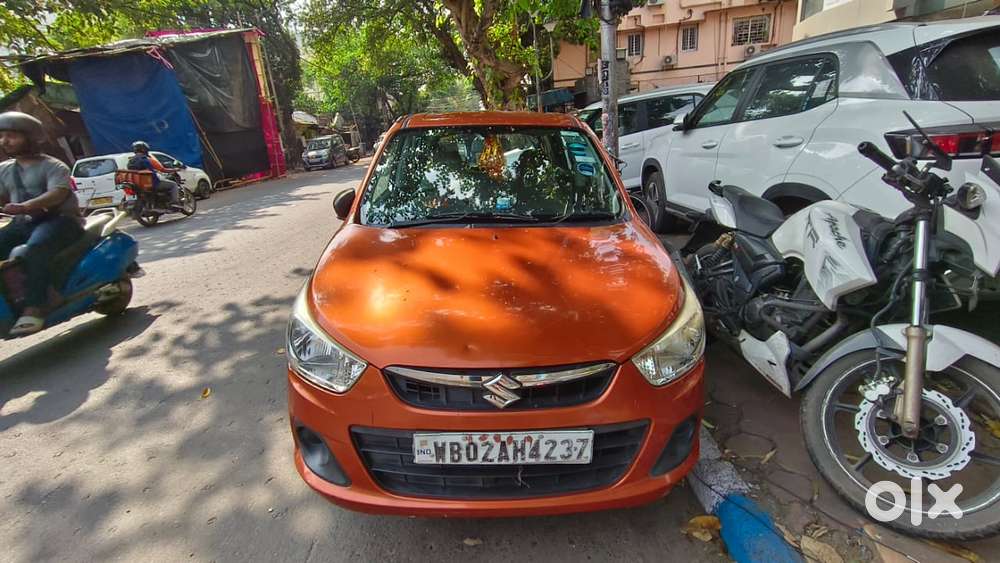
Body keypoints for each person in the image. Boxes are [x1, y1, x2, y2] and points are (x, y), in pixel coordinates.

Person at [0, 111, 84, 336]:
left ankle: (35, 306)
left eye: (11, 136)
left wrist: (25, 206)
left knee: (33, 249)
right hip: (23, 223)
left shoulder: (54, 166)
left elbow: (56, 194)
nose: (4, 141)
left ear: (30, 137)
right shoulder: (4, 169)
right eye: (2, 136)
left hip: (61, 220)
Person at [127, 141, 180, 206]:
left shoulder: (131, 161)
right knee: (173, 185)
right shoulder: (148, 159)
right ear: (144, 149)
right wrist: (175, 169)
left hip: (137, 184)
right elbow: (163, 169)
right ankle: (174, 202)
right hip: (151, 183)